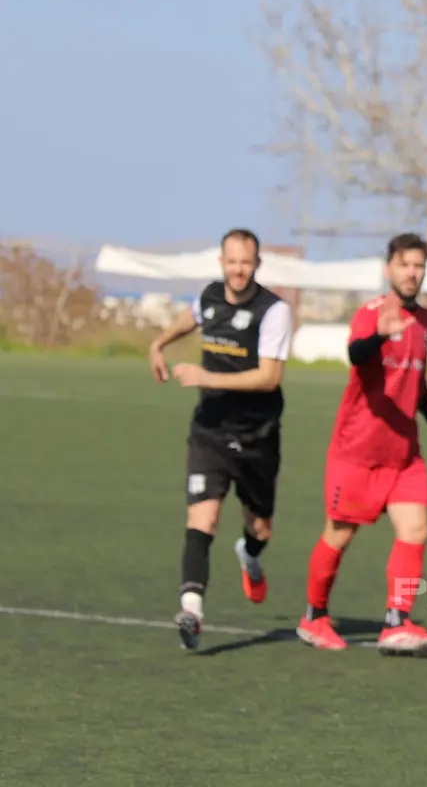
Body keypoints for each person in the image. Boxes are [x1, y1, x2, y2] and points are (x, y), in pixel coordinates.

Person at [297, 233, 427, 654]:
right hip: (358, 450)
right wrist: (379, 335)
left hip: (403, 452)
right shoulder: (371, 313)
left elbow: (416, 377)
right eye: (405, 264)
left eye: (419, 266)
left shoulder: (425, 320)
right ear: (389, 268)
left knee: (416, 529)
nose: (413, 273)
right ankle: (314, 617)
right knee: (339, 534)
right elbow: (356, 354)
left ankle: (396, 623)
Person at [147, 228, 295, 650]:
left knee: (260, 528)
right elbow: (191, 317)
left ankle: (249, 554)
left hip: (256, 436)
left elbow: (269, 377)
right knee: (202, 519)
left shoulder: (274, 311)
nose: (238, 270)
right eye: (232, 262)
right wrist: (159, 343)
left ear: (257, 264)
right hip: (210, 430)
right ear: (221, 262)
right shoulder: (210, 296)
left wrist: (206, 376)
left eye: (246, 262)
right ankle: (191, 612)